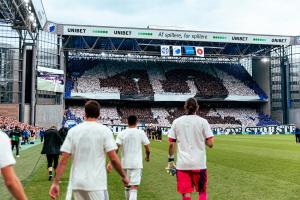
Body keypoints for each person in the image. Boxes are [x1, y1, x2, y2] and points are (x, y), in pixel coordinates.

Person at [49, 100, 129, 200]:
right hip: (96, 183)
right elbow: (113, 158)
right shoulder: (105, 131)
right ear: (99, 114)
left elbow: (63, 160)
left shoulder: (73, 131)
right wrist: (124, 176)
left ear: (84, 113)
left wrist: (56, 182)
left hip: (78, 183)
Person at [167, 98, 214, 200]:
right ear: (197, 107)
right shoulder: (203, 122)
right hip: (199, 164)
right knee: (202, 191)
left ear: (185, 107)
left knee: (186, 193)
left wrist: (170, 160)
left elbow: (171, 144)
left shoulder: (176, 122)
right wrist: (202, 139)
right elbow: (210, 144)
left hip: (182, 164)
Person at [107, 115, 150, 200]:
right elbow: (147, 148)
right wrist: (147, 157)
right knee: (134, 188)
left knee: (127, 186)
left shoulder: (122, 133)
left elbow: (116, 148)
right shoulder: (140, 132)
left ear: (127, 122)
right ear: (136, 122)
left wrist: (111, 162)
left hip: (124, 164)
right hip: (136, 164)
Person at [0, 130, 28, 200]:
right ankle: (15, 155)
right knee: (16, 147)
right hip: (15, 140)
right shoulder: (2, 137)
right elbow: (10, 181)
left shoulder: (11, 133)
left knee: (13, 147)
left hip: (13, 140)